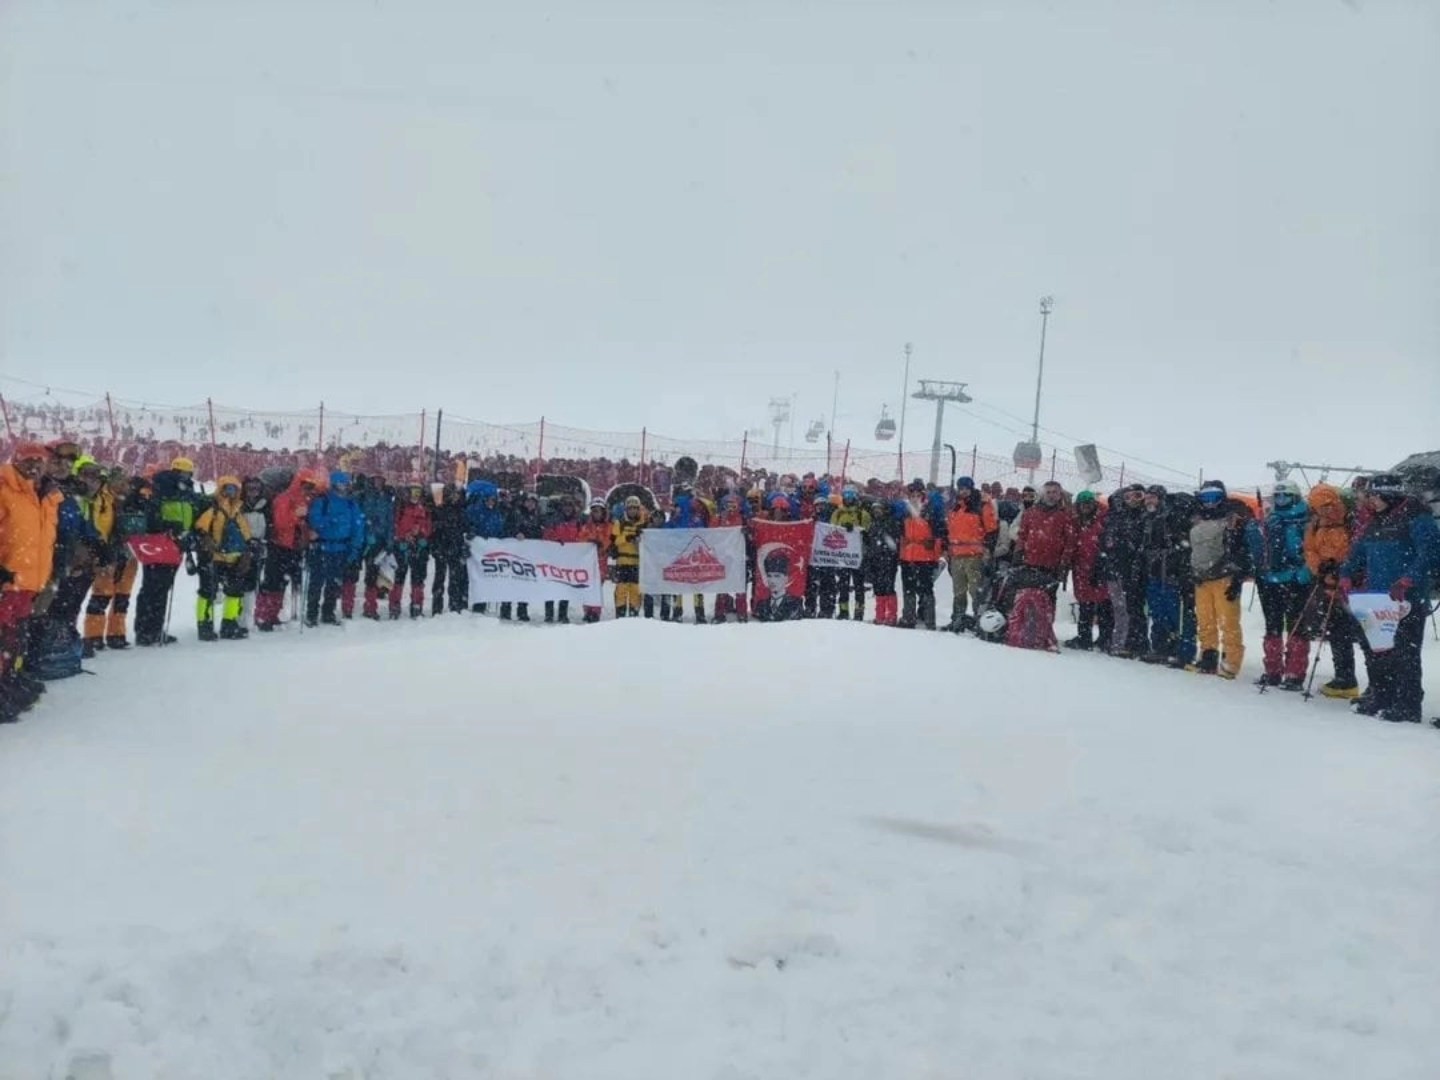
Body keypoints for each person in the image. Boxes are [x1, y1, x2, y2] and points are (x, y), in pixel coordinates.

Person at [1340, 474, 1437, 723]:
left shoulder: (1417, 518)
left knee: (1406, 652)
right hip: (1379, 598)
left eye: (1374, 495)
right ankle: (1383, 696)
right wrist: (1346, 573)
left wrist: (1408, 579)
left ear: (1389, 494)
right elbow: (1358, 552)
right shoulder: (1377, 521)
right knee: (1381, 650)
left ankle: (1407, 704)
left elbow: (1430, 552)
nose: (1370, 500)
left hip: (1407, 598)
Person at [0, 444, 59, 722]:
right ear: (16, 461)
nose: (34, 465)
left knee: (16, 637)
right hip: (7, 580)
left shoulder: (45, 495)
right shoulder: (5, 489)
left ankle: (10, 681)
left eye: (39, 461)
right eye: (28, 460)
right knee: (2, 638)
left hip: (28, 581)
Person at [1247, 481, 1315, 690]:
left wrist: (1305, 570)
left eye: (1285, 496)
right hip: (1270, 579)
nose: (1281, 500)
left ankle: (1295, 673)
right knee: (1272, 625)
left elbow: (1309, 549)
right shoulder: (1269, 519)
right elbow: (1258, 548)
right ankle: (1273, 670)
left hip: (1296, 580)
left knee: (1296, 626)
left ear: (1295, 497)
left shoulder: (1306, 520)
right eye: (1277, 496)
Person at [133, 459, 205, 646]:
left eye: (189, 474)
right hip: (159, 543)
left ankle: (153, 628)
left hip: (177, 544)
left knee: (162, 587)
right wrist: (167, 527)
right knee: (153, 587)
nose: (186, 477)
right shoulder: (162, 488)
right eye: (184, 473)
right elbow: (152, 515)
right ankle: (146, 630)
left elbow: (192, 512)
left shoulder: (186, 492)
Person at [1187, 480, 1252, 678]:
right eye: (1205, 498)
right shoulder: (1197, 520)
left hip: (1224, 576)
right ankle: (1208, 656)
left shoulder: (1232, 518)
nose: (1209, 503)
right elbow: (1194, 549)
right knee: (1205, 620)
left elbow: (1241, 550)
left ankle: (1231, 660)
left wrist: (1237, 578)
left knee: (1228, 621)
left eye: (1214, 498)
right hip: (1201, 578)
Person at [1302, 483, 1360, 699]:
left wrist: (1343, 569)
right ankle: (1344, 678)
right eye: (1319, 507)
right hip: (1327, 584)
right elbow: (1309, 549)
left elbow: (1358, 549)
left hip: (1349, 585)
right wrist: (1321, 568)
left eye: (1327, 504)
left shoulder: (1352, 521)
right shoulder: (1316, 524)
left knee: (1359, 633)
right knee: (1337, 632)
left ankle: (1373, 683)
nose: (1325, 510)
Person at [255, 469, 321, 631]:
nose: (308, 489)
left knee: (283, 582)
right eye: (306, 485)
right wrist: (297, 518)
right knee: (272, 582)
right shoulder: (284, 498)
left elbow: (302, 523)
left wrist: (306, 529)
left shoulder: (304, 500)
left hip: (294, 546)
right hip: (279, 545)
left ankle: (273, 614)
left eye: (310, 486)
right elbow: (281, 523)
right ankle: (263, 616)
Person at [192, 476, 255, 640]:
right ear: (220, 489)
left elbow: (246, 534)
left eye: (234, 489)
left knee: (235, 594)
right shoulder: (212, 508)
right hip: (214, 557)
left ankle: (230, 624)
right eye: (227, 488)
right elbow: (200, 528)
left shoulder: (238, 510)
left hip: (235, 558)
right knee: (208, 593)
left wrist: (249, 549)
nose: (231, 492)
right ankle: (205, 627)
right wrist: (206, 542)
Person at [305, 471, 366, 627]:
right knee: (316, 583)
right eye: (341, 484)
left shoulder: (351, 504)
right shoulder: (322, 501)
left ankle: (328, 612)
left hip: (341, 549)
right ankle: (311, 613)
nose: (344, 488)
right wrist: (331, 520)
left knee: (334, 583)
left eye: (346, 485)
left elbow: (357, 527)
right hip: (321, 548)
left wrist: (355, 549)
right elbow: (314, 520)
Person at [1139, 485, 1189, 665]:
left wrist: (1175, 562)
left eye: (1153, 498)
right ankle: (1159, 646)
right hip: (1153, 571)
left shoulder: (1170, 516)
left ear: (1161, 498)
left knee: (1172, 611)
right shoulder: (1147, 518)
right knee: (1156, 611)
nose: (1149, 501)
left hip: (1169, 571)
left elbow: (1181, 543)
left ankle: (1175, 646)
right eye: (1147, 498)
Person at [943, 477, 997, 632]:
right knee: (958, 591)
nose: (963, 491)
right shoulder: (955, 508)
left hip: (975, 555)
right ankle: (957, 620)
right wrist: (947, 550)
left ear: (971, 488)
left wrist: (987, 550)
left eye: (966, 488)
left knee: (976, 591)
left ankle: (980, 622)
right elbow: (949, 531)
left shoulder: (982, 506)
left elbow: (992, 530)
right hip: (957, 555)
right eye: (961, 488)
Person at [1100, 484, 1148, 658]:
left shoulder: (1143, 518)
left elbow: (1142, 546)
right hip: (1115, 570)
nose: (1132, 501)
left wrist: (1137, 565)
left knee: (1134, 608)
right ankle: (1120, 641)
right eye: (1128, 497)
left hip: (1134, 571)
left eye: (1137, 496)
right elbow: (1105, 543)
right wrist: (1105, 564)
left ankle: (1136, 642)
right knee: (1119, 608)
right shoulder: (1115, 519)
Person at [1066, 490, 1113, 651]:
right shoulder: (1076, 521)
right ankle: (1084, 637)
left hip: (1098, 567)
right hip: (1080, 568)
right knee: (1085, 604)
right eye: (1082, 504)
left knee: (1103, 604)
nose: (1085, 507)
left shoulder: (1103, 520)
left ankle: (1105, 638)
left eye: (1088, 504)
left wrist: (1102, 564)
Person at [898, 480, 944, 630]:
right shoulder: (905, 511)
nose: (915, 497)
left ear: (923, 494)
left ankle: (929, 621)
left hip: (925, 556)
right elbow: (902, 535)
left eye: (918, 494)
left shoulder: (930, 510)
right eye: (912, 494)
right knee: (908, 588)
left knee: (926, 589)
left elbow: (938, 536)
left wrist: (936, 557)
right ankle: (908, 618)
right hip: (908, 556)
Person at [390, 483, 433, 619]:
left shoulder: (424, 508)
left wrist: (422, 534)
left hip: (419, 547)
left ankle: (416, 605)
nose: (415, 495)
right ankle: (394, 606)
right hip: (402, 546)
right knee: (399, 577)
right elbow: (395, 525)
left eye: (418, 492)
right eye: (413, 492)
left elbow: (428, 525)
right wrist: (403, 536)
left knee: (418, 578)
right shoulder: (401, 507)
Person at [830, 486, 872, 621]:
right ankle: (843, 610)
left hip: (857, 555)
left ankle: (859, 611)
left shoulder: (862, 514)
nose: (848, 498)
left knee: (858, 585)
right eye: (846, 495)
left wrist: (858, 531)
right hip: (843, 555)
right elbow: (832, 530)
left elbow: (867, 530)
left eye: (851, 495)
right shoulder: (837, 513)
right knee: (843, 584)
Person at [463, 480, 505, 615]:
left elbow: (499, 530)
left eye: (493, 500)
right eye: (489, 499)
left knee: (486, 578)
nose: (491, 502)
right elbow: (466, 525)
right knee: (472, 577)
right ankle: (464, 603)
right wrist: (471, 533)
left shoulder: (497, 514)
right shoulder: (474, 511)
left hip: (489, 550)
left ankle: (481, 604)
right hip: (476, 549)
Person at [710, 491, 750, 623]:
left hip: (738, 558)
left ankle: (742, 613)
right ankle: (719, 613)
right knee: (722, 586)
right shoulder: (718, 519)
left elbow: (751, 535)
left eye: (734, 505)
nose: (731, 508)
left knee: (740, 587)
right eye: (728, 505)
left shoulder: (743, 519)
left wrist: (746, 532)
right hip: (723, 558)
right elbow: (711, 535)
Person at [430, 484, 470, 616]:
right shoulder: (440, 509)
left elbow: (465, 527)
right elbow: (435, 530)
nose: (455, 497)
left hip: (455, 548)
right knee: (439, 579)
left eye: (456, 495)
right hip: (442, 547)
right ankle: (437, 607)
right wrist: (435, 546)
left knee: (455, 580)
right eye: (452, 494)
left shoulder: (461, 510)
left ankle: (454, 605)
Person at [541, 495, 581, 624]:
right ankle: (549, 613)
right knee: (551, 585)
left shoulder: (577, 521)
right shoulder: (554, 520)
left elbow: (581, 537)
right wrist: (555, 541)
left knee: (565, 587)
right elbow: (546, 535)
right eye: (566, 506)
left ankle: (563, 614)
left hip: (569, 559)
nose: (568, 508)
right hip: (553, 557)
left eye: (570, 506)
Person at [865, 497, 902, 626]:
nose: (877, 512)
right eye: (875, 509)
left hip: (888, 559)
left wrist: (891, 555)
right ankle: (880, 615)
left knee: (888, 587)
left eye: (879, 509)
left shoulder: (891, 522)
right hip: (876, 560)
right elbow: (871, 541)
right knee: (878, 588)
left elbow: (894, 541)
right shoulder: (873, 523)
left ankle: (891, 616)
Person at [238, 476, 269, 627]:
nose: (253, 492)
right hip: (243, 547)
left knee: (257, 581)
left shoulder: (265, 505)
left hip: (260, 546)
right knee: (243, 582)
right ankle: (240, 617)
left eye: (257, 488)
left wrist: (264, 540)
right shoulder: (239, 505)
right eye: (250, 488)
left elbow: (270, 525)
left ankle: (255, 616)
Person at [609, 495, 647, 618]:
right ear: (626, 509)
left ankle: (633, 613)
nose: (633, 511)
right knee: (621, 589)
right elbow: (615, 541)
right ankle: (620, 613)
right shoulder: (619, 523)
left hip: (637, 562)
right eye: (630, 508)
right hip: (622, 561)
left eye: (635, 508)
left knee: (635, 589)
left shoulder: (643, 525)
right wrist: (627, 537)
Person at [576, 498, 612, 623]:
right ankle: (587, 610)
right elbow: (580, 540)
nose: (596, 513)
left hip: (600, 561)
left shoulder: (608, 526)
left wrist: (601, 543)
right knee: (586, 586)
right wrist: (590, 541)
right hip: (587, 562)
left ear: (603, 512)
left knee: (596, 588)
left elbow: (608, 541)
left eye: (598, 511)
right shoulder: (586, 527)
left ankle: (595, 611)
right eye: (594, 511)